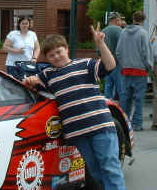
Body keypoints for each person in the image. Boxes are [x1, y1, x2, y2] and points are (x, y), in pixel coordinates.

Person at [24, 26, 126, 190]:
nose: (56, 56)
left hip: (100, 126)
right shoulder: (48, 75)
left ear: (66, 49)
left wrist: (100, 44)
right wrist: (29, 81)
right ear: (47, 58)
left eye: (59, 51)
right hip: (78, 133)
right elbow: (33, 84)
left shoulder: (85, 64)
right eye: (51, 55)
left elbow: (110, 65)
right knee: (96, 171)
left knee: (110, 168)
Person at [116, 10, 152, 131]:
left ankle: (124, 123)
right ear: (143, 20)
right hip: (140, 71)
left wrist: (123, 65)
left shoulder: (123, 32)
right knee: (139, 99)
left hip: (126, 70)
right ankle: (137, 124)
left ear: (133, 18)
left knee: (125, 99)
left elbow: (118, 52)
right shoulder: (143, 33)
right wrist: (148, 67)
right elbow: (146, 53)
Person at [101, 11, 124, 100]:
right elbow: (123, 47)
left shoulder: (103, 31)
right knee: (121, 88)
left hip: (106, 63)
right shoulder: (119, 30)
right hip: (118, 63)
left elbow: (98, 49)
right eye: (120, 20)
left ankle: (108, 108)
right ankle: (122, 111)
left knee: (108, 86)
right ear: (117, 20)